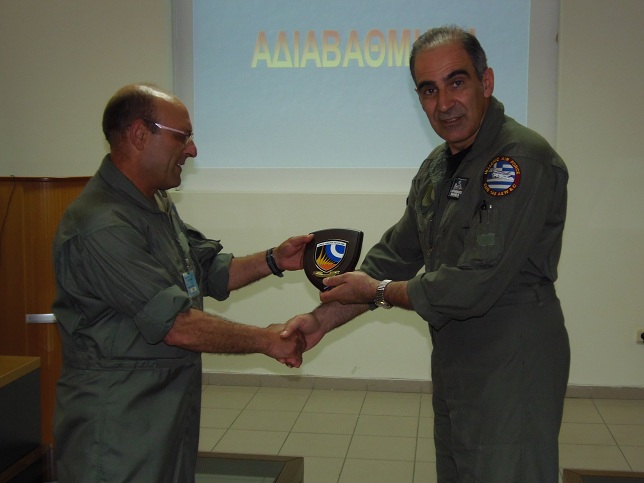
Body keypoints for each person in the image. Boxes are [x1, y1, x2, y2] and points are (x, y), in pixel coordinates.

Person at [282, 26, 570, 482]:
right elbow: (396, 253)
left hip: (511, 362)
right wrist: (321, 320)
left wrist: (378, 291)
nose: (444, 103)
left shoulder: (519, 160)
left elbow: (473, 284)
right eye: (429, 90)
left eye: (457, 82)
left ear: (486, 82)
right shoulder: (439, 165)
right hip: (456, 359)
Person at [52, 83, 311, 482]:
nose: (192, 150)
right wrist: (267, 340)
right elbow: (177, 325)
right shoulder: (102, 225)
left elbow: (204, 270)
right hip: (118, 425)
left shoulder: (153, 202)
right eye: (183, 137)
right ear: (140, 134)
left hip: (164, 415)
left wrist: (274, 259)